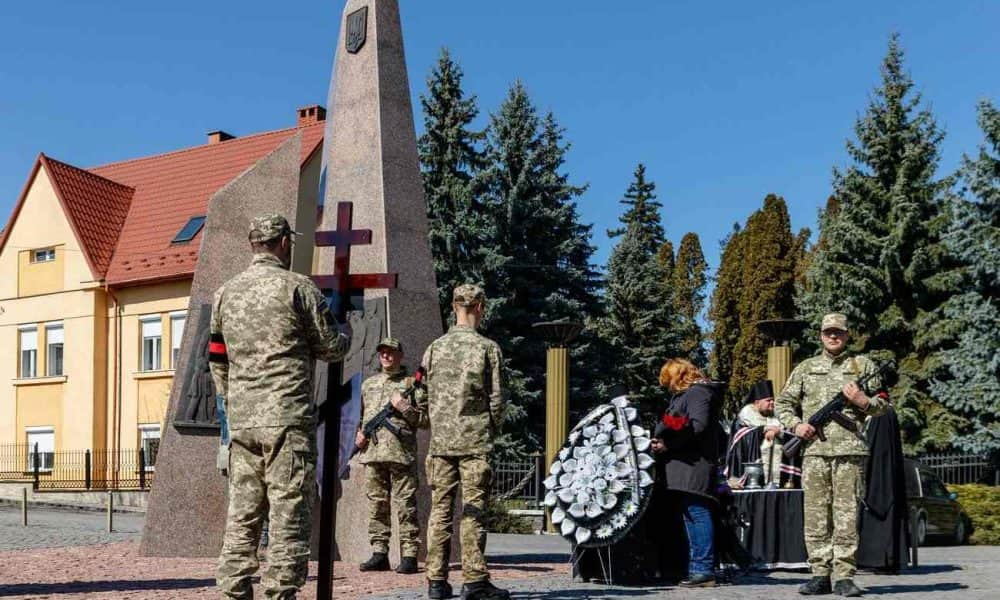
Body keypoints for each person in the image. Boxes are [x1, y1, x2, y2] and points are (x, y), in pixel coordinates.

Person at [210, 213, 350, 600]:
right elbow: (330, 346)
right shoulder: (297, 288)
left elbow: (217, 361)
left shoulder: (226, 293)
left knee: (242, 519)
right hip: (286, 421)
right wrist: (345, 333)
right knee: (288, 519)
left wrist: (234, 402)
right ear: (285, 242)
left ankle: (234, 593)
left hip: (243, 424)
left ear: (254, 243)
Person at [776, 313, 888, 597]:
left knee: (846, 515)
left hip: (850, 451)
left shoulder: (862, 366)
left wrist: (863, 401)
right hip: (814, 452)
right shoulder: (806, 368)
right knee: (815, 516)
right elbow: (784, 403)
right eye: (828, 332)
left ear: (847, 335)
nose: (833, 336)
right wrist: (797, 425)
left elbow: (883, 405)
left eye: (838, 332)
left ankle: (844, 576)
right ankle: (819, 574)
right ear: (821, 336)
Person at [422, 284, 509, 600]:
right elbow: (498, 400)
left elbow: (421, 394)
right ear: (480, 308)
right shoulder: (487, 348)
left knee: (440, 512)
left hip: (441, 444)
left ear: (454, 307)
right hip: (474, 443)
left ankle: (435, 581)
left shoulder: (434, 348)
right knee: (472, 511)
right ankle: (474, 580)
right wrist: (490, 429)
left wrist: (434, 424)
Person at [651, 358, 726, 588]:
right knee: (691, 514)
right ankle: (696, 567)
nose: (668, 386)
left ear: (678, 377)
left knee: (697, 513)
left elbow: (698, 425)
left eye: (668, 380)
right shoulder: (692, 394)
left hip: (694, 465)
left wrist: (669, 443)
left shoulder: (697, 393)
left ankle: (702, 570)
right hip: (686, 465)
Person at [355, 337, 427, 574]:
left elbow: (425, 420)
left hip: (400, 454)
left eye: (391, 352)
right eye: (382, 352)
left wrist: (404, 407)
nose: (386, 356)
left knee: (405, 506)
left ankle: (409, 555)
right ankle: (379, 553)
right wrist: (359, 435)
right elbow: (360, 418)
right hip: (373, 454)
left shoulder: (412, 385)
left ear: (400, 356)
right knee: (377, 506)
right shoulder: (369, 385)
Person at [725, 380, 801, 488]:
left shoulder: (779, 418)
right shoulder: (744, 419)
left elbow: (793, 436)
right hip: (753, 478)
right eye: (768, 401)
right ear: (757, 403)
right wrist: (763, 430)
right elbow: (740, 439)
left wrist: (778, 432)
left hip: (779, 476)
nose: (772, 403)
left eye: (773, 400)